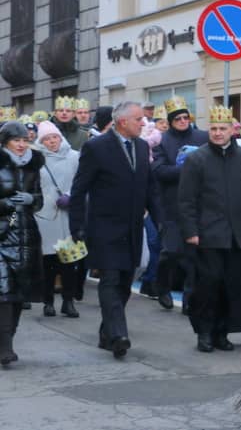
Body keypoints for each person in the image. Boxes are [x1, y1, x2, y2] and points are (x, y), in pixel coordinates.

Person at [178, 105, 241, 352]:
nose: (217, 133)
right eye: (213, 128)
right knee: (208, 284)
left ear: (232, 130)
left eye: (222, 128)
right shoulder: (196, 159)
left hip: (237, 235)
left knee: (230, 285)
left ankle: (222, 333)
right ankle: (204, 332)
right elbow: (186, 200)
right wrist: (191, 231)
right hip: (207, 235)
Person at [69, 101, 163, 359]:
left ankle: (106, 332)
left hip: (132, 228)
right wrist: (76, 226)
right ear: (123, 122)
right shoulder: (96, 147)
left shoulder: (142, 147)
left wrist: (160, 221)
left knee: (124, 283)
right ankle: (119, 335)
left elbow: (150, 188)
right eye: (138, 120)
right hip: (104, 227)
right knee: (110, 280)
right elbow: (79, 189)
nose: (143, 124)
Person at [152, 97, 208, 311]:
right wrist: (185, 169)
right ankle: (162, 286)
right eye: (178, 119)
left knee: (194, 255)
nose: (183, 121)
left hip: (197, 205)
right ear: (171, 121)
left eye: (186, 117)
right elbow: (159, 171)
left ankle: (189, 299)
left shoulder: (202, 137)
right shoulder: (162, 141)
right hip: (172, 206)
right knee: (171, 252)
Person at [0, 121, 45, 367]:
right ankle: (5, 347)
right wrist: (6, 204)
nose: (21, 145)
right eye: (16, 140)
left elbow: (39, 200)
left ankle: (7, 341)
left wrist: (31, 199)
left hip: (26, 234)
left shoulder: (32, 166)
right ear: (5, 141)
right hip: (3, 232)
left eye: (24, 140)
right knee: (4, 293)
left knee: (19, 294)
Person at [34, 121, 81, 319]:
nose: (52, 141)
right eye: (46, 139)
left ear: (60, 137)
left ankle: (68, 302)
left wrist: (71, 195)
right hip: (45, 216)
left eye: (54, 137)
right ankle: (48, 302)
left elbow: (82, 181)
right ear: (41, 142)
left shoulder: (74, 156)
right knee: (48, 262)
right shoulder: (36, 159)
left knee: (69, 261)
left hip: (69, 215)